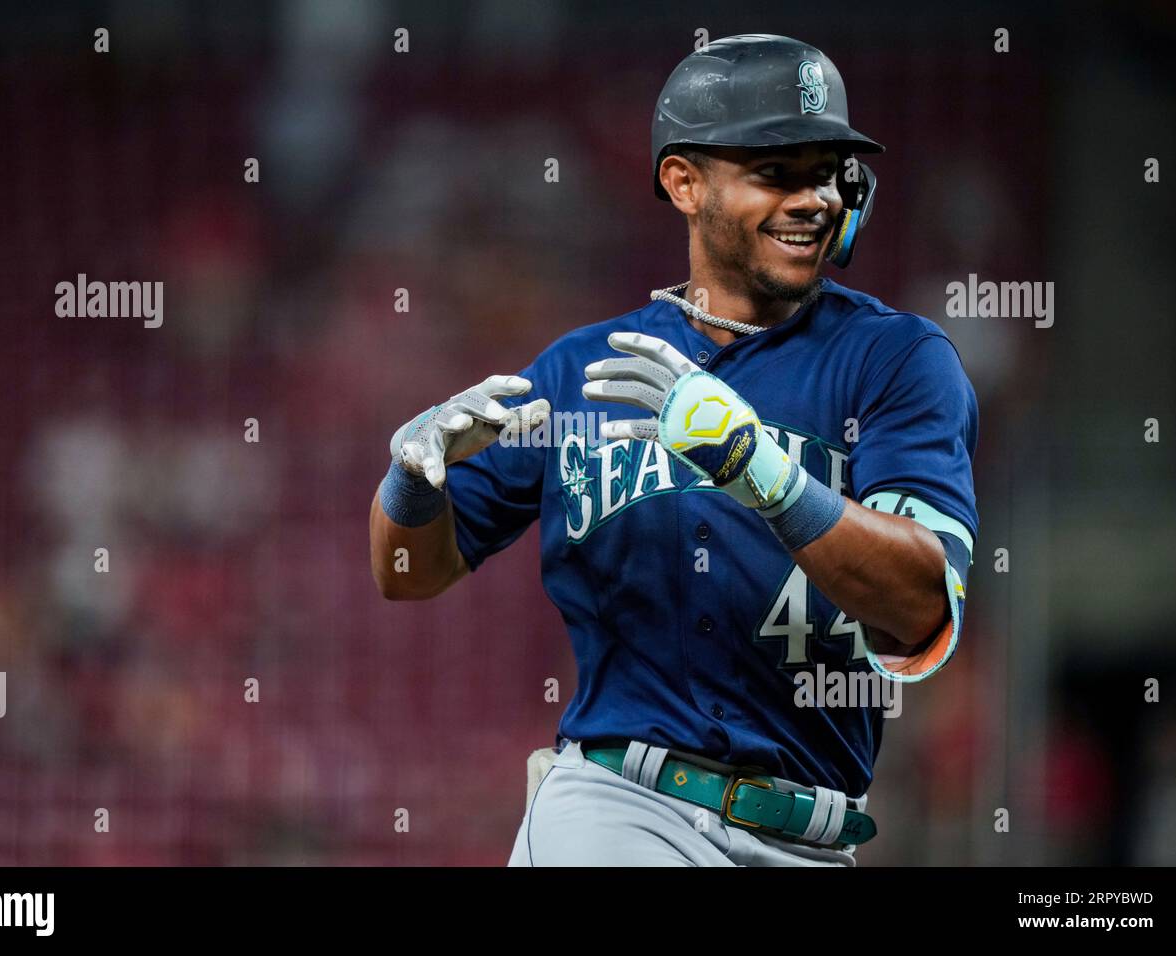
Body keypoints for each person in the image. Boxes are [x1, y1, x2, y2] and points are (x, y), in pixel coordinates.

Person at [369, 34, 978, 866]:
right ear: (684, 183)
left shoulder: (898, 362)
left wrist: (756, 468)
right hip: (622, 808)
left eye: (828, 172)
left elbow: (919, 609)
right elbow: (408, 574)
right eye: (776, 171)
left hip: (816, 839)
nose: (814, 199)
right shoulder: (586, 370)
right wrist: (411, 480)